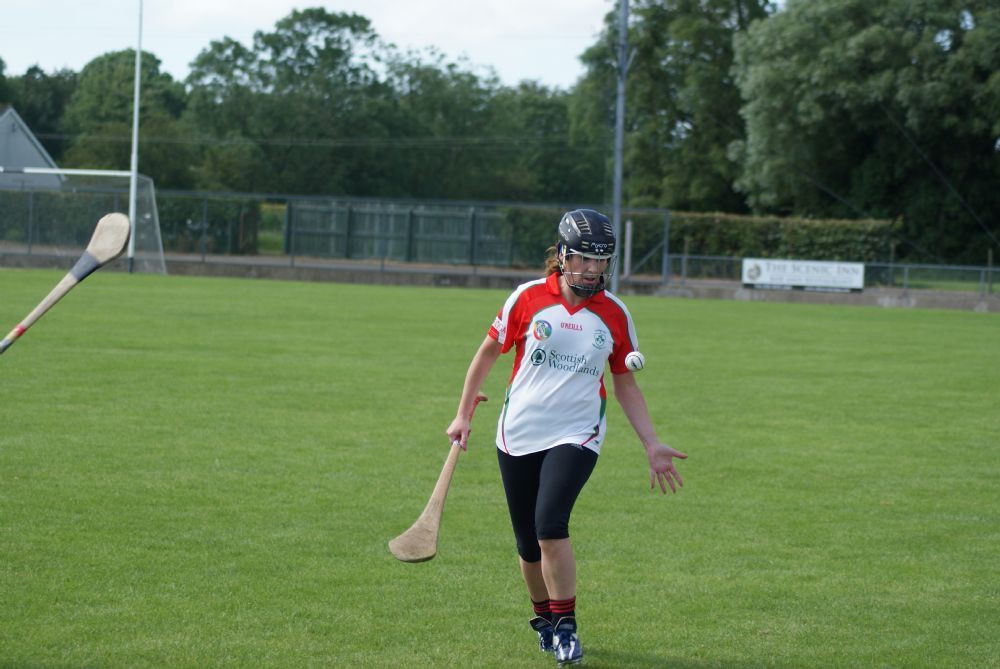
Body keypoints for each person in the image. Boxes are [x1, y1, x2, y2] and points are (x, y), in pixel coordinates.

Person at [445, 208, 687, 666]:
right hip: (517, 431)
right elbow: (488, 352)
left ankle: (567, 628)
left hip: (578, 432)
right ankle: (544, 620)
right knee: (527, 544)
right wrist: (462, 414)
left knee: (550, 526)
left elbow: (625, 383)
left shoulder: (614, 313)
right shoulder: (527, 298)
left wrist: (652, 442)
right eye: (585, 259)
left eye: (602, 261)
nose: (594, 269)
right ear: (562, 255)